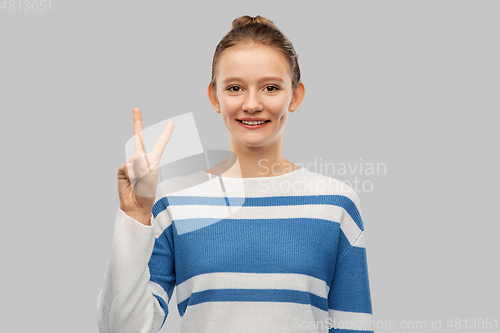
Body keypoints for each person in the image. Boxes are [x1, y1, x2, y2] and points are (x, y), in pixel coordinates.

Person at [97, 15, 374, 333]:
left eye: (270, 87)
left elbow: (354, 326)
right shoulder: (173, 201)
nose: (252, 104)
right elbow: (121, 329)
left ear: (295, 96)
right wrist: (135, 214)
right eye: (234, 88)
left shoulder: (335, 202)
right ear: (214, 96)